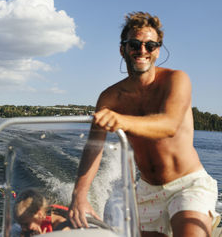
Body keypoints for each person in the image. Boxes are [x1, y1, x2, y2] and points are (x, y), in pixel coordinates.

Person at [69, 12, 220, 237]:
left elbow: (169, 125)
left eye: (150, 45)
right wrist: (79, 196)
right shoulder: (110, 98)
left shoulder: (176, 80)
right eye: (135, 44)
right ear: (123, 49)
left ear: (158, 50)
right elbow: (94, 149)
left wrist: (122, 120)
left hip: (188, 185)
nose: (142, 51)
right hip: (147, 192)